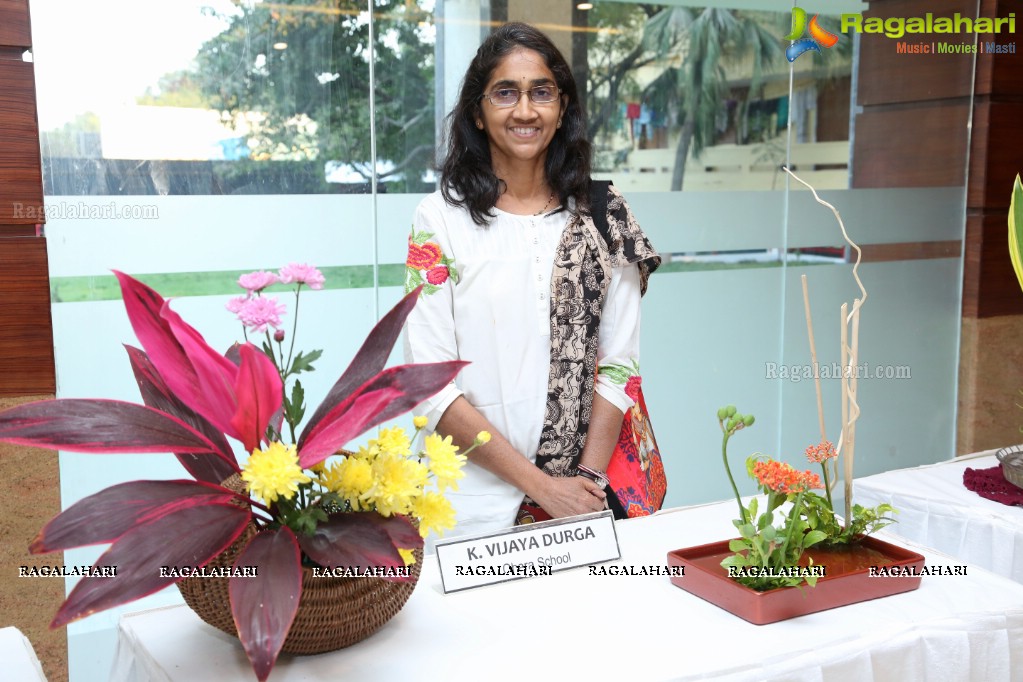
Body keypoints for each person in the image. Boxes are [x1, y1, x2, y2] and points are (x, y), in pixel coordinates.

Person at [403, 22, 660, 541]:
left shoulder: (604, 217)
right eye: (505, 93)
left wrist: (581, 485)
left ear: (562, 107)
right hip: (464, 508)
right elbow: (429, 385)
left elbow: (619, 366)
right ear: (478, 111)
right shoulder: (439, 221)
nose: (525, 110)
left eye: (541, 92)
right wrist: (541, 487)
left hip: (581, 504)